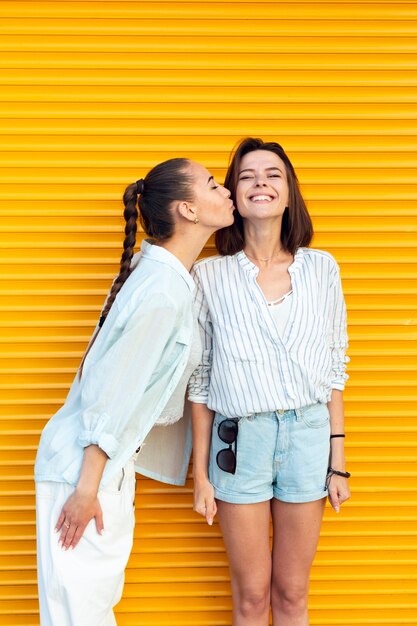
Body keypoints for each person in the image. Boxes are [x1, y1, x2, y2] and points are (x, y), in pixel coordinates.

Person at [34, 157, 234, 626]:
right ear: (187, 209)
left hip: (101, 469)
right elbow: (112, 392)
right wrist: (87, 489)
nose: (224, 189)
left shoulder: (169, 280)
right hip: (85, 473)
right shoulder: (162, 289)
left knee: (86, 610)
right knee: (78, 616)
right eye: (211, 184)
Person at [189, 138, 350, 626]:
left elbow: (335, 367)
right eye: (247, 175)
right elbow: (200, 380)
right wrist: (200, 473)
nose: (261, 181)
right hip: (240, 443)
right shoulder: (208, 275)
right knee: (252, 597)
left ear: (288, 192)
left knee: (292, 594)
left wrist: (337, 460)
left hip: (307, 436)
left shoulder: (322, 268)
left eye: (273, 174)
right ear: (234, 197)